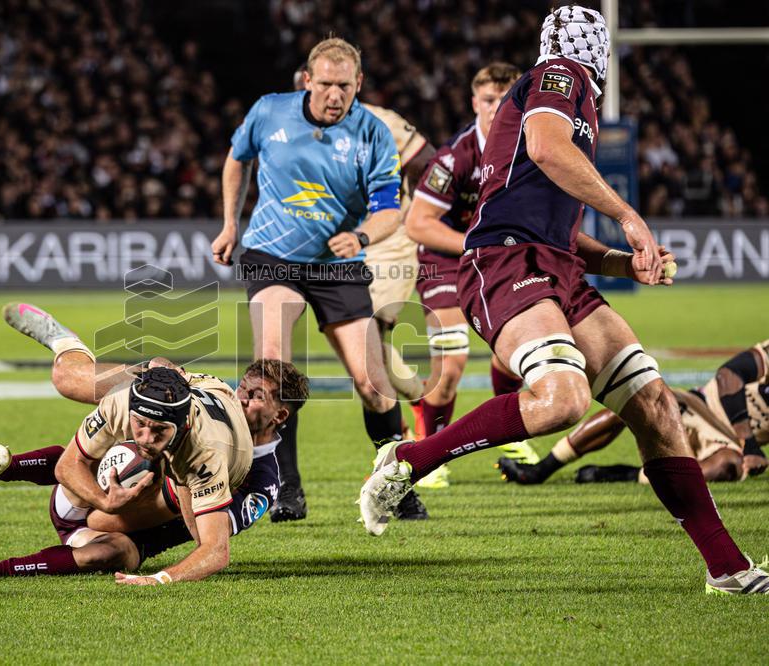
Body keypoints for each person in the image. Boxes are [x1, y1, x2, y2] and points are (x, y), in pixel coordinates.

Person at [359, 5, 768, 594]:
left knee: (653, 404)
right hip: (507, 261)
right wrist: (628, 216)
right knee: (564, 397)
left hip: (556, 267)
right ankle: (410, 461)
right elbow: (547, 149)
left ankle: (727, 568)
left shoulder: (566, 105)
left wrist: (621, 263)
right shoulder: (562, 75)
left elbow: (556, 227)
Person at [212, 37, 427, 523]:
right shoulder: (269, 111)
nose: (335, 95)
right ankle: (285, 488)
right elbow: (236, 159)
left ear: (359, 84)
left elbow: (390, 209)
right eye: (326, 84)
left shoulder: (373, 133)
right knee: (273, 372)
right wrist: (229, 224)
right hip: (273, 257)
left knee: (374, 385)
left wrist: (362, 235)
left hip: (337, 265)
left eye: (345, 86)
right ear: (307, 80)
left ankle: (395, 486)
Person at [0, 305, 309, 584]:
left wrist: (178, 475)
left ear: (280, 416)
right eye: (243, 389)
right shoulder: (207, 399)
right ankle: (61, 342)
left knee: (115, 543)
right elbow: (165, 368)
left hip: (120, 530)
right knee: (68, 380)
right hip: (103, 479)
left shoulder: (262, 477)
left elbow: (207, 541)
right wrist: (160, 372)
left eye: (256, 398)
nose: (242, 399)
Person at [404, 62, 539, 488]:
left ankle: (510, 435)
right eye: (488, 100)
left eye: (505, 99)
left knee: (515, 349)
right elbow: (418, 223)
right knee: (452, 362)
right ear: (474, 102)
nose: (496, 108)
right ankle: (429, 451)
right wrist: (473, 242)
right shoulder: (455, 157)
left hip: (496, 256)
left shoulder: (529, 146)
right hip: (446, 257)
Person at [293, 63, 435, 447]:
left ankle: (406, 426)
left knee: (367, 330)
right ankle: (415, 405)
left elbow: (427, 161)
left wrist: (419, 214)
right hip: (340, 247)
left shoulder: (380, 121)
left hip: (390, 239)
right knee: (359, 347)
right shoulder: (298, 130)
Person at [499, 341, 769, 484]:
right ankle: (542, 469)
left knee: (728, 465)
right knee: (635, 399)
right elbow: (728, 376)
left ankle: (626, 475)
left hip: (729, 445)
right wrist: (750, 442)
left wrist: (745, 448)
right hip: (702, 406)